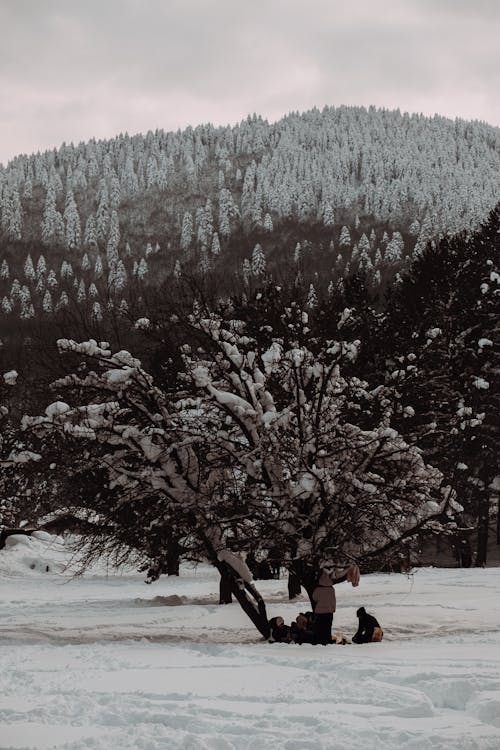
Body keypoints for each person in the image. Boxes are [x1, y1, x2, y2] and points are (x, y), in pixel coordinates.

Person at [312, 570, 336, 644]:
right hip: (329, 612)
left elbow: (314, 598)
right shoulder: (332, 589)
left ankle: (320, 640)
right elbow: (333, 600)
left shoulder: (318, 589)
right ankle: (327, 640)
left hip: (320, 612)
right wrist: (333, 609)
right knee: (328, 628)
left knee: (320, 628)